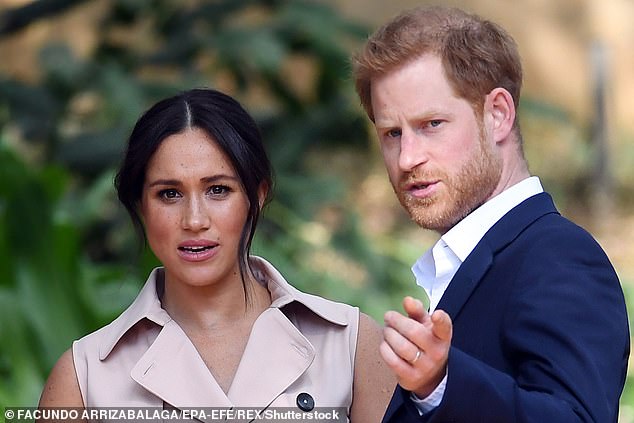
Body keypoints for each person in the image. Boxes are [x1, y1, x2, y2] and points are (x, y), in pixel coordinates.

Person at [38, 88, 395, 421]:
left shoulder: (350, 344)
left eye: (218, 190)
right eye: (169, 194)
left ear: (256, 196)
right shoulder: (84, 377)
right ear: (140, 206)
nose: (195, 220)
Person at [352, 6, 629, 423]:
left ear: (498, 114)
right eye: (392, 133)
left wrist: (442, 384)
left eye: (431, 124)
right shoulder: (480, 262)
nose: (407, 157)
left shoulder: (561, 258)